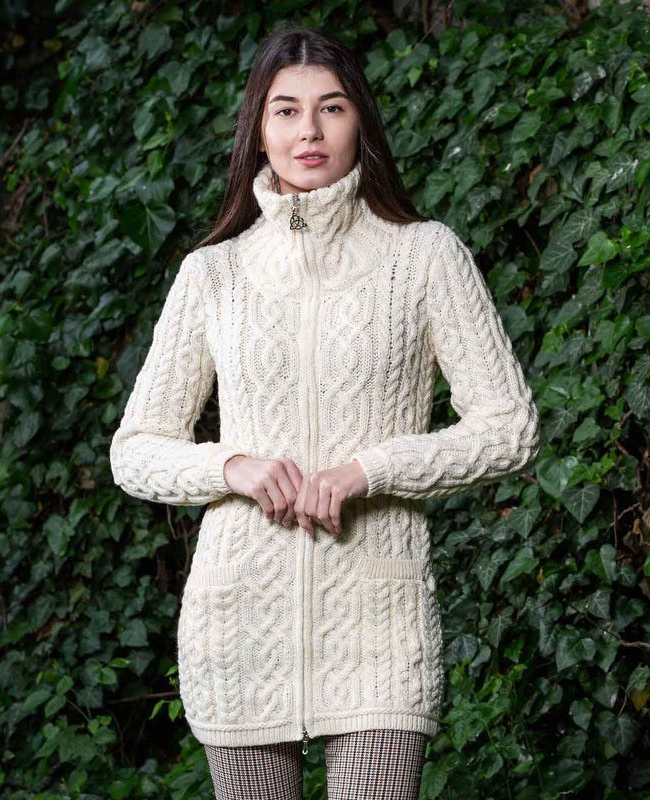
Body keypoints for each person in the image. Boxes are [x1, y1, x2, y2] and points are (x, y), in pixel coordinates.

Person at [109, 25, 540, 800]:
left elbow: (509, 428)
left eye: (331, 107)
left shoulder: (425, 256)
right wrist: (231, 467)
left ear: (360, 124)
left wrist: (367, 470)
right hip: (238, 619)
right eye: (286, 110)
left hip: (378, 617)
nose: (309, 130)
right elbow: (136, 448)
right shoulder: (214, 274)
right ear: (259, 130)